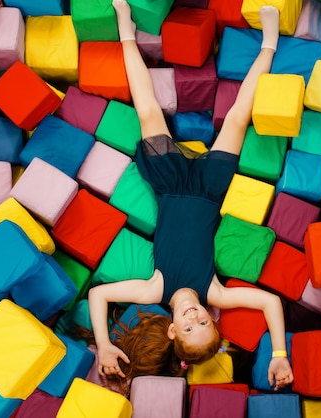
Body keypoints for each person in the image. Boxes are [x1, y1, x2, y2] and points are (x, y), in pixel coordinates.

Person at [87, 0, 293, 392]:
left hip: (170, 185)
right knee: (237, 119)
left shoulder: (154, 289)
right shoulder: (213, 290)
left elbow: (98, 295)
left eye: (187, 326)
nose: (195, 316)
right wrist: (279, 354)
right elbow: (270, 303)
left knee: (148, 111)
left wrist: (104, 345)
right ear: (213, 318)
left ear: (171, 331)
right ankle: (269, 43)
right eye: (204, 323)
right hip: (208, 190)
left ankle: (125, 28)